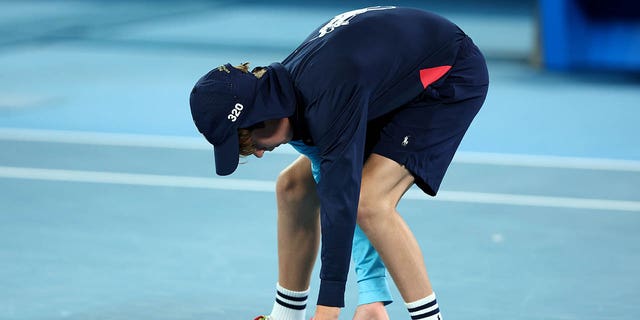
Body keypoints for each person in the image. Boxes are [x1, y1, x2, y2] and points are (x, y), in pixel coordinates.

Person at [189, 6, 489, 320]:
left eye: (253, 144)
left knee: (370, 201)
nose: (261, 153)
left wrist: (329, 309)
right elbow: (334, 189)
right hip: (385, 79)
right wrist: (371, 299)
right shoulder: (281, 97)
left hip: (446, 75)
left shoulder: (325, 100)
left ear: (261, 117)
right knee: (292, 188)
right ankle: (286, 315)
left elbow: (344, 198)